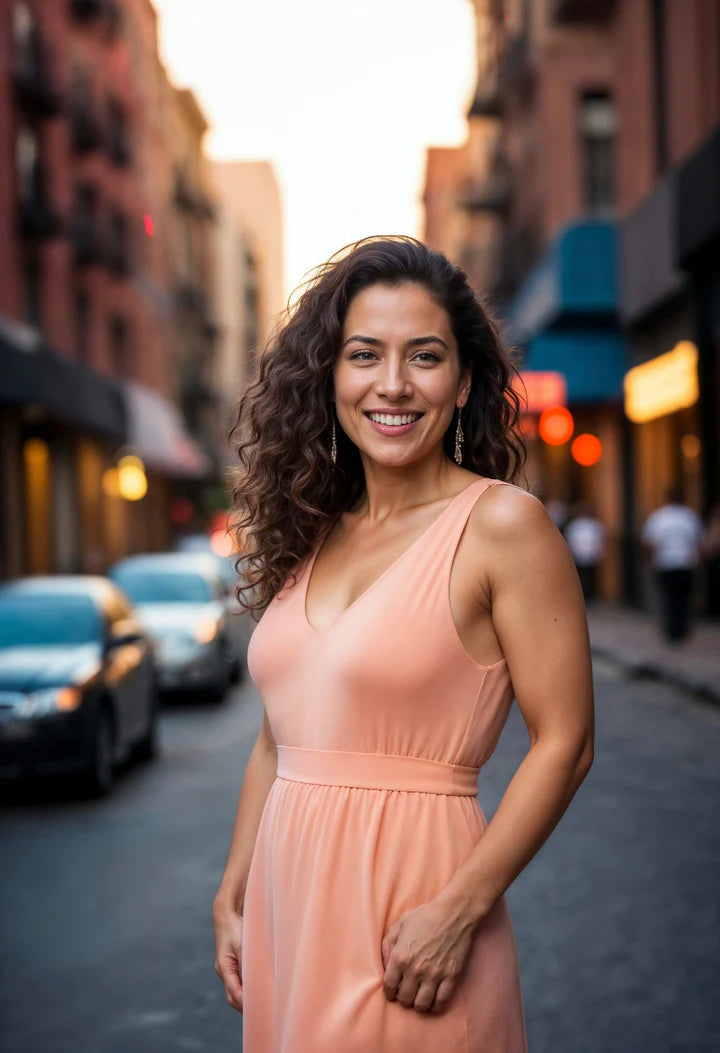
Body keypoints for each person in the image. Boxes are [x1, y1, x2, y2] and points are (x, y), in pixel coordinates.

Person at [213, 237, 595, 1052]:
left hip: (413, 918)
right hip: (291, 913)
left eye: (424, 356)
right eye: (364, 355)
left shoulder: (502, 526)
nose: (393, 383)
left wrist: (459, 910)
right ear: (330, 379)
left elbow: (566, 742)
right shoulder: (311, 532)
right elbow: (279, 734)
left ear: (462, 384)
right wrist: (235, 888)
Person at [641, 485, 704, 642]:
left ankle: (671, 630)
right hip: (685, 562)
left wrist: (651, 560)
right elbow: (698, 542)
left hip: (666, 563)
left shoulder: (659, 517)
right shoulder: (690, 517)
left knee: (668, 597)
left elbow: (649, 542)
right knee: (683, 598)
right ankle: (681, 630)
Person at [564, 500, 607, 603]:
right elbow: (570, 539)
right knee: (579, 577)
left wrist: (599, 552)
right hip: (578, 556)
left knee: (592, 577)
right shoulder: (574, 525)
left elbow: (600, 539)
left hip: (591, 556)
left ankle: (591, 596)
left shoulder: (595, 524)